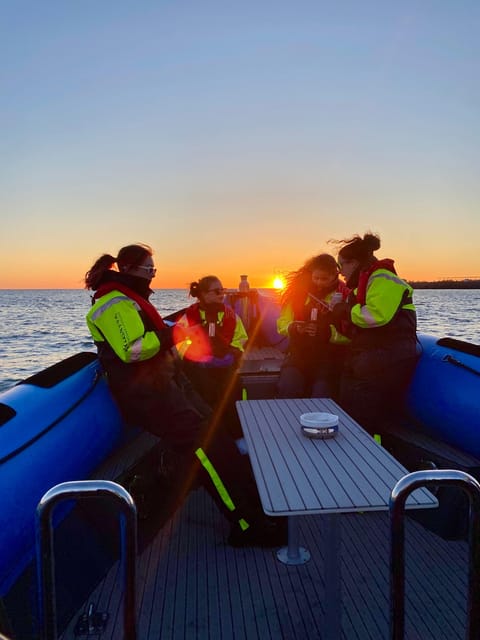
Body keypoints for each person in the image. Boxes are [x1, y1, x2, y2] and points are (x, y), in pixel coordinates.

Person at [84, 243, 285, 547]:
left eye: (154, 268)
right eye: (148, 269)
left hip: (168, 383)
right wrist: (176, 334)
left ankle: (258, 501)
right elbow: (132, 350)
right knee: (204, 448)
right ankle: (244, 523)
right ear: (127, 269)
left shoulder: (131, 299)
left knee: (217, 434)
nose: (152, 274)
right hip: (148, 395)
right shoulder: (111, 304)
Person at [328, 232, 418, 437]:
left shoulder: (384, 280)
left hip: (388, 357)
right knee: (346, 401)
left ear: (355, 262)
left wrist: (344, 311)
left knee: (362, 414)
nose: (340, 273)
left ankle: (363, 453)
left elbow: (376, 316)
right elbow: (353, 326)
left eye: (342, 266)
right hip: (368, 356)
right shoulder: (362, 286)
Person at [173, 276, 248, 440]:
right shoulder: (189, 317)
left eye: (223, 290)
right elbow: (179, 343)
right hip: (198, 371)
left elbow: (241, 338)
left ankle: (237, 437)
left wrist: (233, 354)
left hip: (225, 366)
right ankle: (214, 438)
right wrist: (197, 357)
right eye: (217, 291)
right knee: (206, 399)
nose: (222, 294)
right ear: (204, 295)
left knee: (232, 397)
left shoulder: (231, 316)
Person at [276, 253, 350, 399]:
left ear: (335, 275)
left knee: (322, 394)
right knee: (289, 387)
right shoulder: (298, 294)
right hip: (298, 356)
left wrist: (328, 333)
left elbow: (350, 335)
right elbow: (282, 324)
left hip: (329, 359)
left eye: (325, 279)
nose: (319, 282)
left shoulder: (344, 296)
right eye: (316, 278)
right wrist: (295, 327)